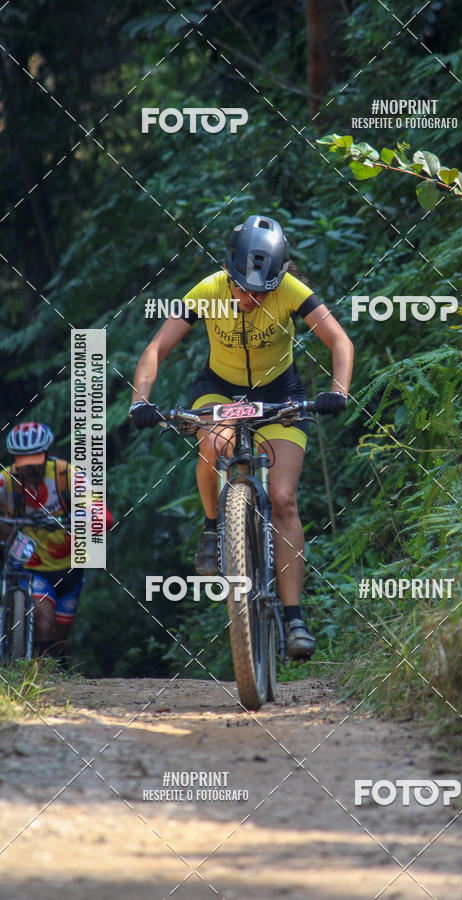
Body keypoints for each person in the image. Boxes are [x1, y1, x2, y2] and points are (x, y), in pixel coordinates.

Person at [129, 214, 354, 658]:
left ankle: (294, 618)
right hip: (219, 390)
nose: (249, 298)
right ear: (228, 272)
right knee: (214, 443)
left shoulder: (292, 291)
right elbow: (157, 347)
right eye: (241, 288)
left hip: (280, 394)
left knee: (285, 500)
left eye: (261, 291)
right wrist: (140, 400)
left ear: (280, 278)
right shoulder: (208, 290)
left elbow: (340, 342)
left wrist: (337, 391)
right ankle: (214, 528)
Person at [0, 422, 114, 662]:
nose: (30, 467)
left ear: (47, 455)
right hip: (32, 566)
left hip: (70, 567)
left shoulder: (67, 476)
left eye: (35, 458)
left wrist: (97, 518)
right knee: (44, 623)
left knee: (59, 637)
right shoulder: (6, 481)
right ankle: (27, 674)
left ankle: (48, 677)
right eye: (23, 461)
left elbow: (98, 510)